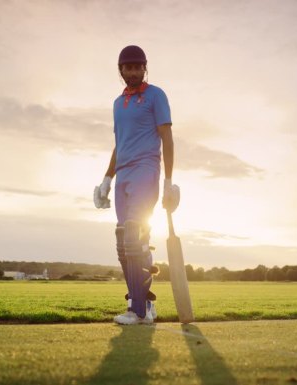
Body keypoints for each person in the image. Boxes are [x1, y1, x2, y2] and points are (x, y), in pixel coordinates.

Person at [94, 45, 180, 325]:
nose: (132, 71)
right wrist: (107, 179)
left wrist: (168, 182)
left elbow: (166, 138)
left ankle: (139, 311)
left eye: (136, 67)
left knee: (134, 233)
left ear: (145, 67)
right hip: (123, 175)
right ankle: (142, 302)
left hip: (146, 169)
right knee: (124, 241)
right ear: (120, 70)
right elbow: (119, 144)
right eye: (127, 67)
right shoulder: (118, 104)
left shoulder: (156, 95)